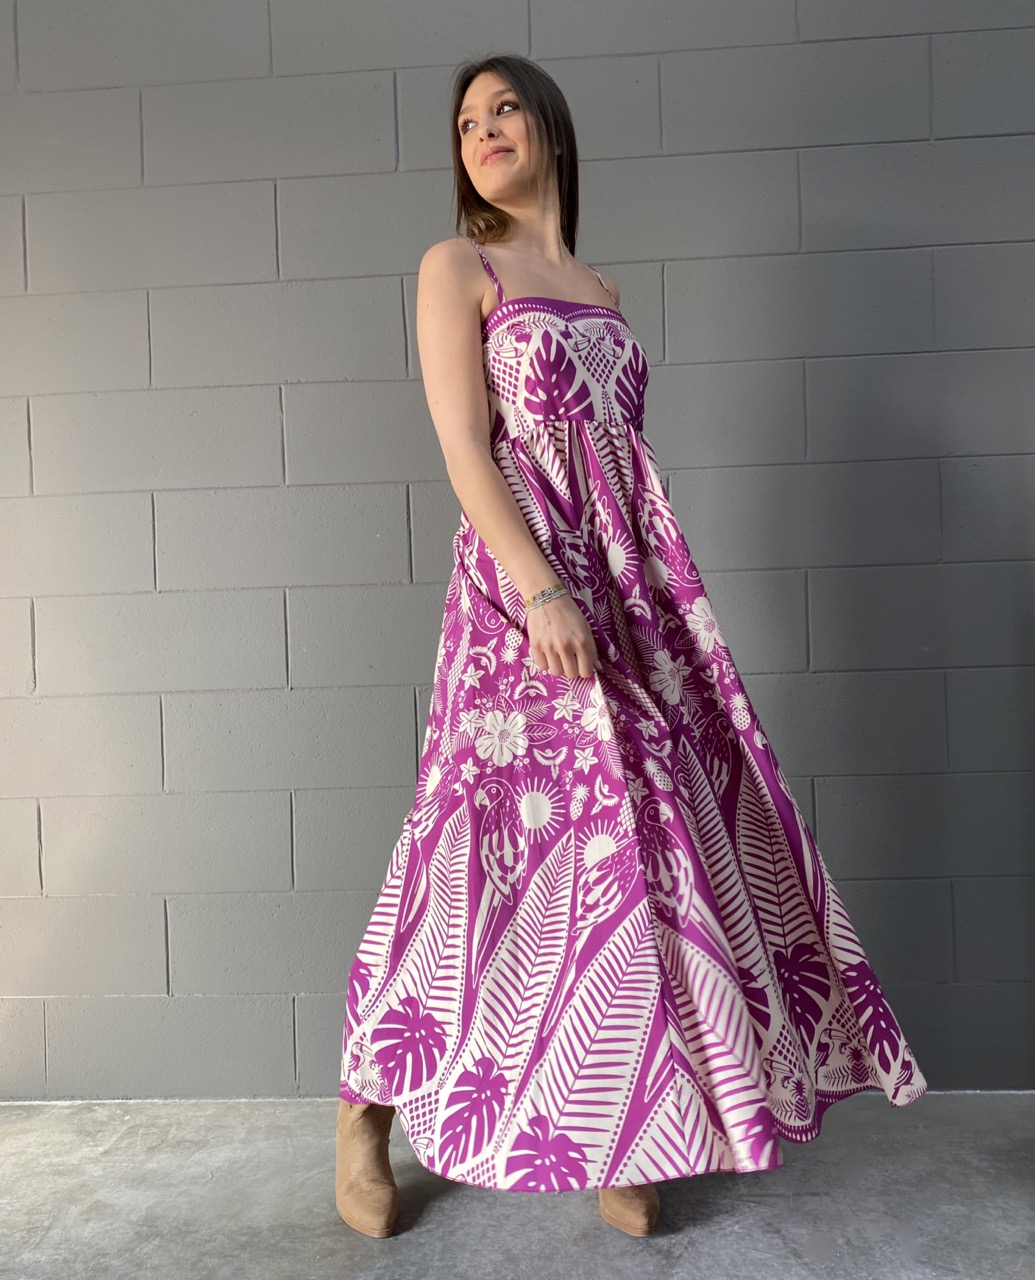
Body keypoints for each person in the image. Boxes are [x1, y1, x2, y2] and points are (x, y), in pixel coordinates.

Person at [334, 52, 929, 1240]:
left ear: (552, 129)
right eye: (465, 120)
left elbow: (621, 466)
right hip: (525, 589)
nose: (483, 130)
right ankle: (363, 1109)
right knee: (478, 847)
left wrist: (632, 598)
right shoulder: (458, 267)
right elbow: (465, 448)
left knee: (638, 845)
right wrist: (543, 590)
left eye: (505, 107)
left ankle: (630, 1122)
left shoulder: (600, 290)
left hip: (629, 597)